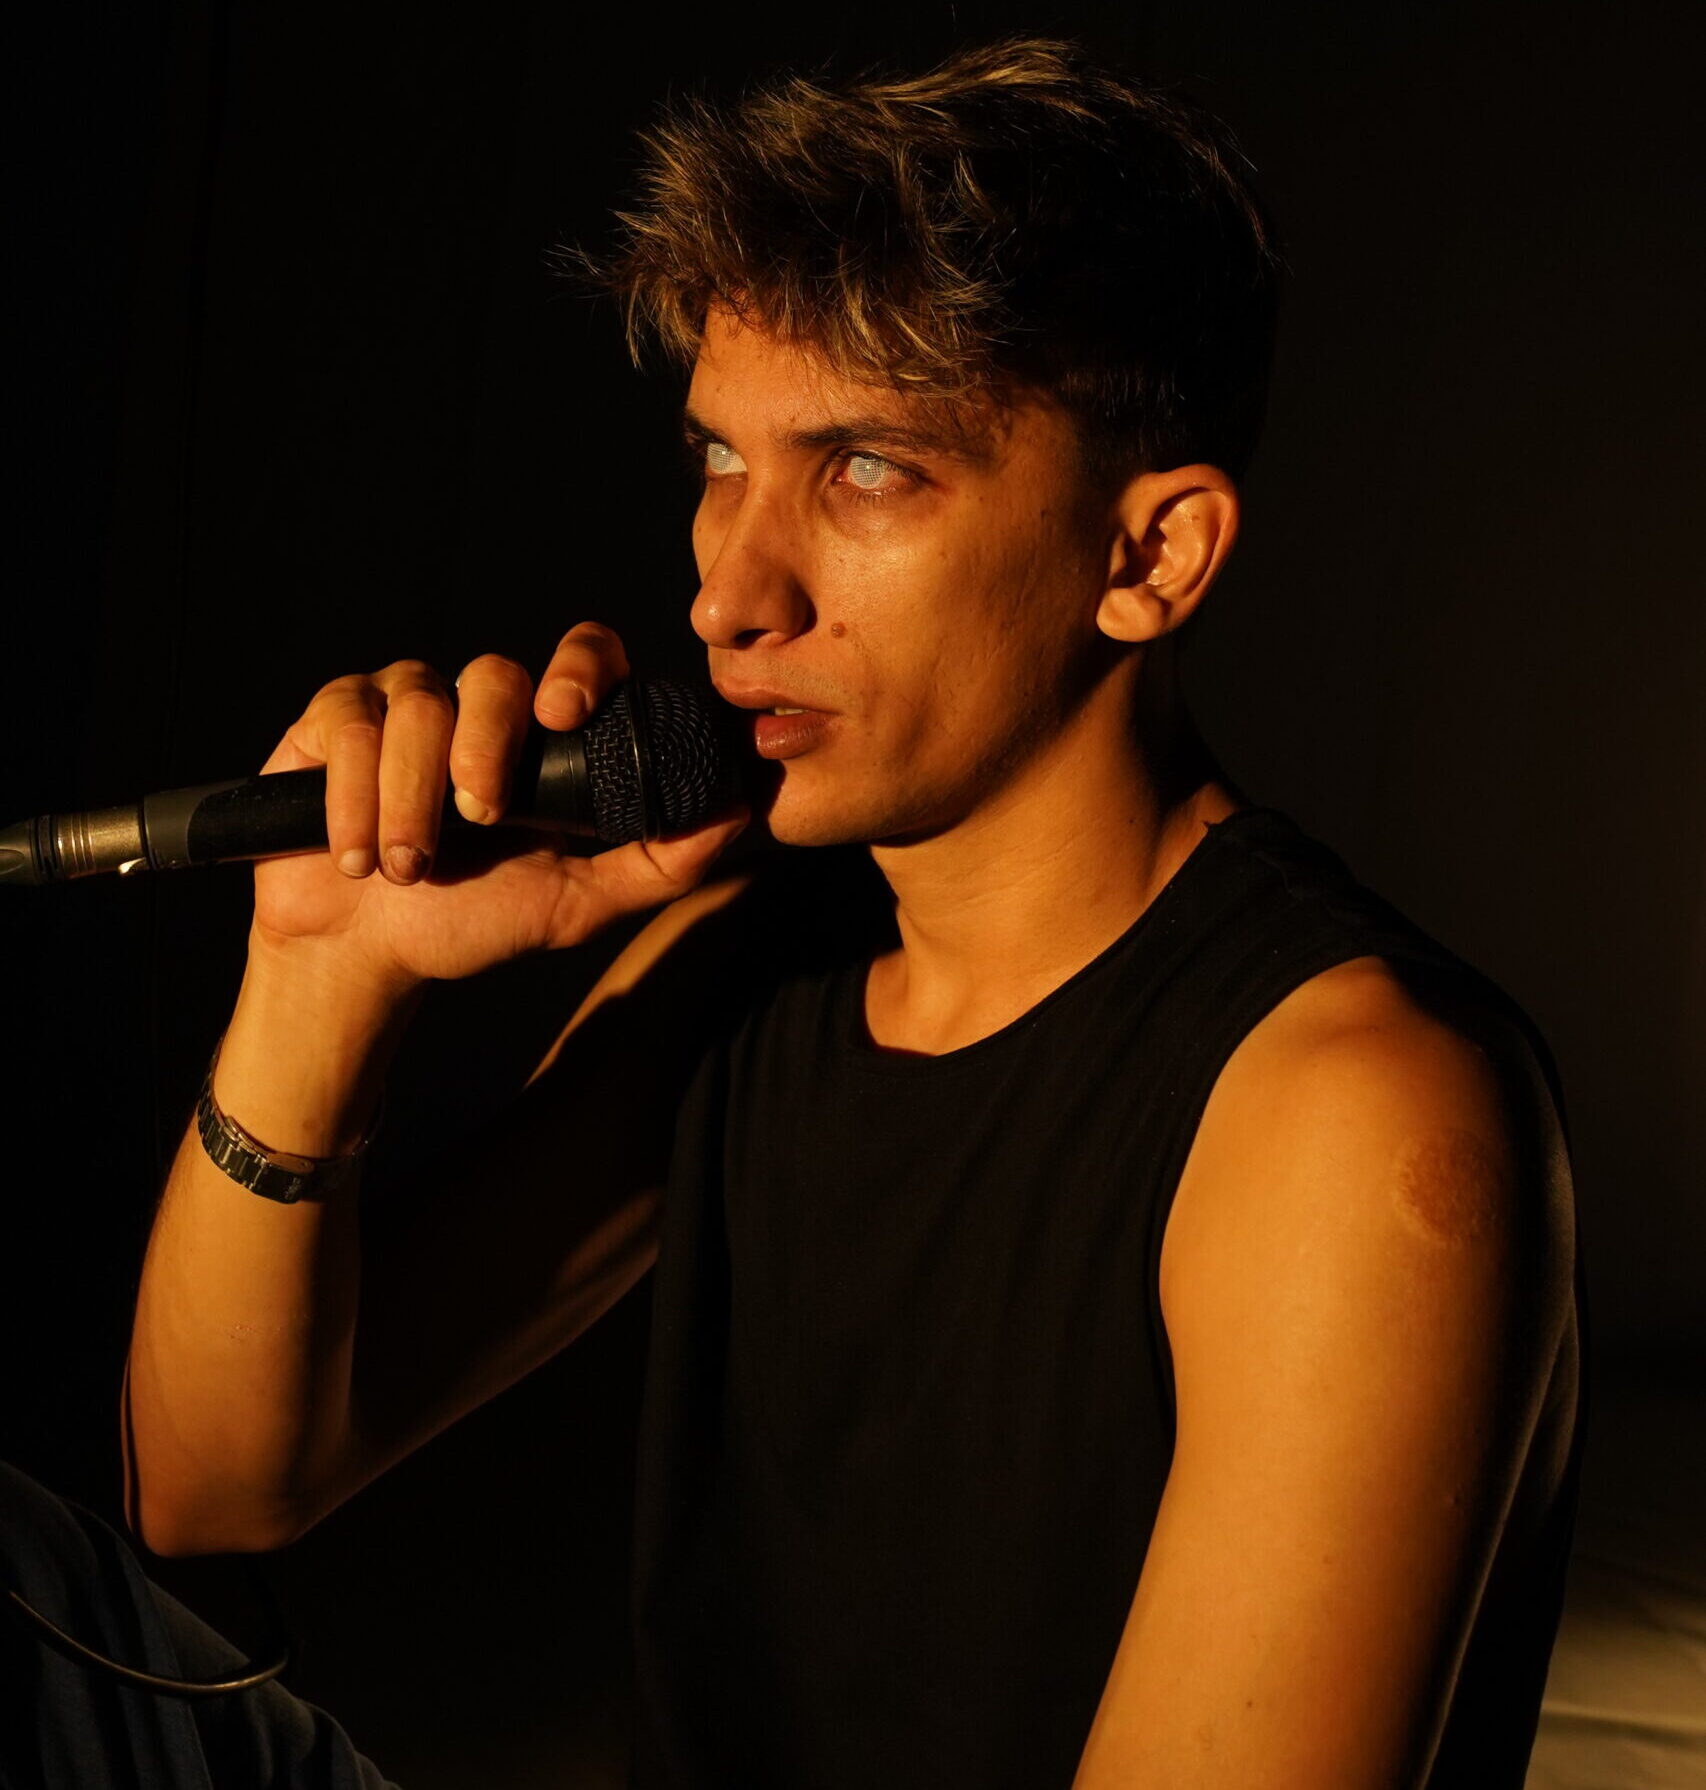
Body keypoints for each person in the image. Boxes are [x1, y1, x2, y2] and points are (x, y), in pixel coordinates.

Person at [119, 37, 1582, 1790]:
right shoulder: (763, 949)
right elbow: (209, 1480)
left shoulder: (1349, 1110)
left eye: (867, 471)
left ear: (1151, 556)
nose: (726, 590)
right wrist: (319, 973)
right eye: (720, 460)